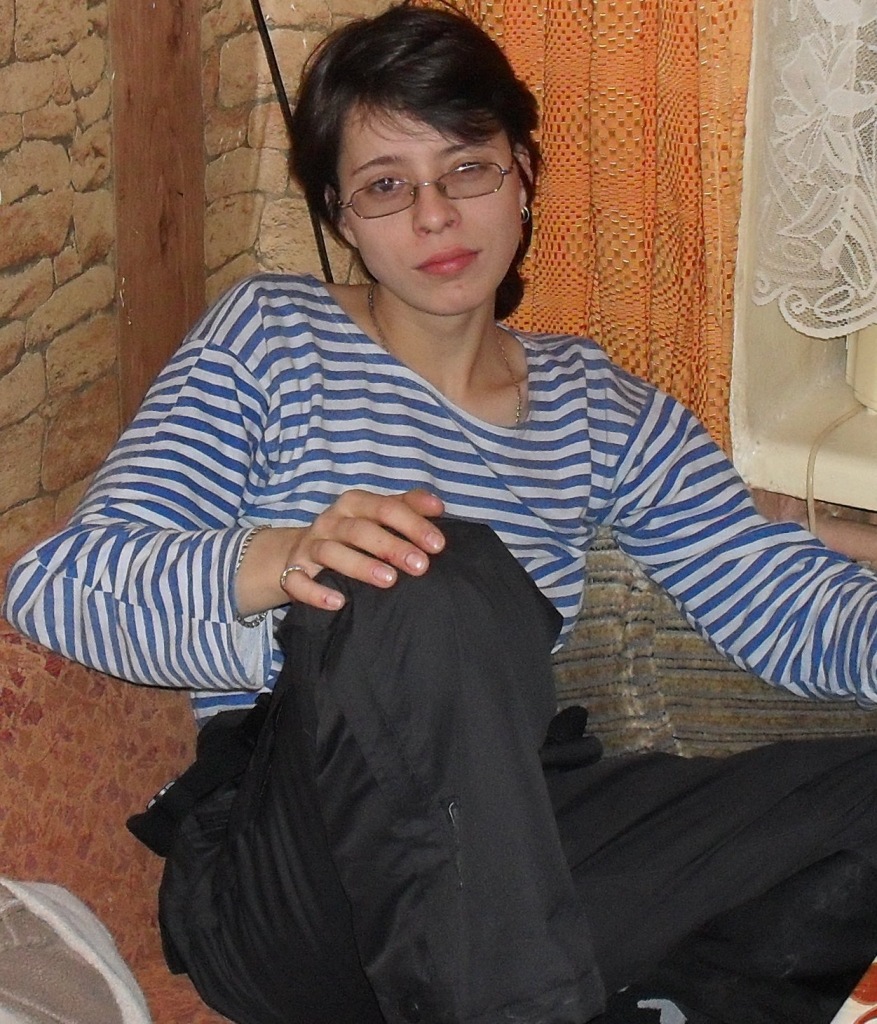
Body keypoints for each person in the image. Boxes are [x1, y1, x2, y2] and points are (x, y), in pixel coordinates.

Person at [5, 3, 877, 1022]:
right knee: (423, 567)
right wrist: (292, 560)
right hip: (292, 871)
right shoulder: (269, 338)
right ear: (339, 216)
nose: (434, 217)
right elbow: (58, 588)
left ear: (523, 176)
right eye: (386, 186)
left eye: (467, 169)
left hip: (517, 834)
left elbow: (784, 603)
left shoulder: (603, 408)